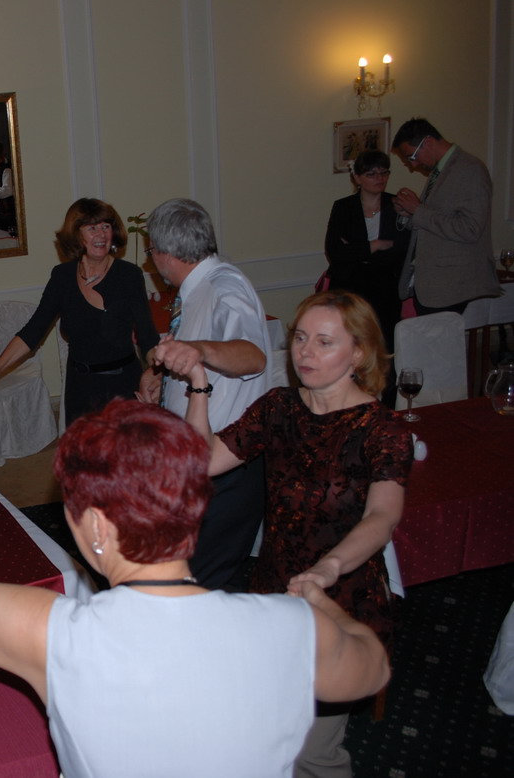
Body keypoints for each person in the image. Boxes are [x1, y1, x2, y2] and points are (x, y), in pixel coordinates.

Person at [0, 401, 391, 777]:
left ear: (95, 526)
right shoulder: (292, 629)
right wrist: (320, 605)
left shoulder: (57, 635)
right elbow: (374, 667)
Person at [182, 290, 412, 776]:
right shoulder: (279, 408)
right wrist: (199, 385)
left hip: (339, 600)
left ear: (359, 353)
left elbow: (382, 517)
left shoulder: (382, 429)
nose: (305, 352)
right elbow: (200, 463)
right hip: (273, 592)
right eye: (301, 338)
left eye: (324, 342)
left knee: (314, 753)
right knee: (267, 731)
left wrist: (329, 567)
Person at [140, 198, 270, 590]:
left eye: (151, 251)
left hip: (228, 469)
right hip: (197, 458)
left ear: (165, 253)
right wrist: (161, 374)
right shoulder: (197, 289)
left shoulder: (225, 287)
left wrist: (199, 349)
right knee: (189, 574)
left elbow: (253, 356)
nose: (151, 261)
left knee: (209, 582)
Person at [0, 197, 159, 427]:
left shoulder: (128, 275)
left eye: (106, 226)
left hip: (123, 386)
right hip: (80, 388)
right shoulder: (62, 277)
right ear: (76, 234)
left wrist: (155, 371)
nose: (101, 234)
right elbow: (32, 333)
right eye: (92, 228)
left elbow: (147, 336)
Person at [391, 117, 501, 314]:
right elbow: (434, 222)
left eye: (412, 156)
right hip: (435, 287)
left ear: (427, 142)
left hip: (453, 288)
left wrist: (418, 210)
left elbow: (470, 229)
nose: (413, 165)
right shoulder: (441, 171)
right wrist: (408, 214)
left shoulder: (469, 169)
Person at [324, 149, 410, 355]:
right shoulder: (344, 207)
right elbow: (335, 252)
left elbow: (402, 247)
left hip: (386, 284)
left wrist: (355, 248)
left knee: (384, 343)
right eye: (371, 174)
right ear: (357, 177)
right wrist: (375, 245)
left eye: (384, 173)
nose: (379, 178)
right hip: (350, 283)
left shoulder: (397, 205)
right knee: (350, 341)